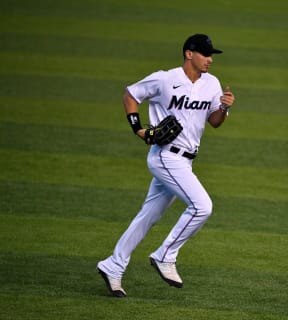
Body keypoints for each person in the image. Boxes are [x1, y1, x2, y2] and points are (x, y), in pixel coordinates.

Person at [97, 34, 235, 297]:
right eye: (205, 54)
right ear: (188, 54)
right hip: (165, 156)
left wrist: (225, 108)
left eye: (212, 55)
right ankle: (165, 255)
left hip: (186, 161)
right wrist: (138, 130)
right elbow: (130, 94)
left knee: (148, 217)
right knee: (202, 206)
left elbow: (214, 121)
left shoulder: (212, 84)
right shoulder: (165, 79)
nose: (210, 59)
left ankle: (112, 266)